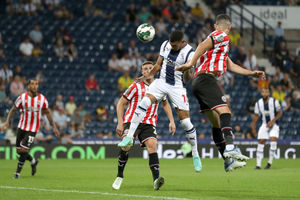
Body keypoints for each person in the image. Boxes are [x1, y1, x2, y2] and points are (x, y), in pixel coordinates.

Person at [175, 14, 265, 171]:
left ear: (216, 25)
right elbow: (203, 44)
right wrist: (190, 63)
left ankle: (227, 160)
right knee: (226, 112)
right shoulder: (221, 36)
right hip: (206, 79)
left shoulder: (219, 49)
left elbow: (231, 66)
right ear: (228, 28)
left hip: (199, 83)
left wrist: (251, 73)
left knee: (216, 124)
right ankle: (230, 147)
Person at [118, 30, 202, 173]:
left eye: (174, 45)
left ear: (182, 43)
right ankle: (129, 137)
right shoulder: (165, 45)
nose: (172, 47)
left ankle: (195, 154)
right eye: (171, 44)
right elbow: (157, 66)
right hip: (161, 82)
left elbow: (188, 79)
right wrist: (146, 77)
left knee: (186, 122)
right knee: (144, 102)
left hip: (177, 87)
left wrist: (187, 69)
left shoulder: (189, 53)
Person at [112, 61, 176, 190]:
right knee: (127, 146)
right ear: (142, 72)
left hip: (149, 123)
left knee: (153, 145)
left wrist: (172, 120)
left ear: (154, 70)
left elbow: (165, 103)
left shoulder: (159, 87)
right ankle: (119, 176)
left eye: (150, 68)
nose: (147, 70)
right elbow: (121, 103)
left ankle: (156, 180)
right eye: (145, 69)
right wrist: (120, 122)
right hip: (131, 121)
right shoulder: (135, 86)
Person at [0, 79, 60, 179]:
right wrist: (7, 121)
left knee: (24, 149)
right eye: (32, 84)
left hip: (33, 128)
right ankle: (33, 161)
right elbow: (13, 110)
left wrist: (54, 126)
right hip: (21, 127)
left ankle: (17, 173)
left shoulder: (42, 99)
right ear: (28, 86)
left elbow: (48, 112)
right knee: (19, 151)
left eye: (36, 84)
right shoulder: (22, 98)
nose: (35, 86)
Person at [251, 88, 282, 170]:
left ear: (269, 93)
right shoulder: (258, 103)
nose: (264, 94)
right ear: (261, 93)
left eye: (266, 92)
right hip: (264, 124)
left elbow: (279, 113)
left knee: (273, 140)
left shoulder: (275, 101)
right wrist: (253, 127)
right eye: (263, 92)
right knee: (261, 141)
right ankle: (258, 165)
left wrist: (272, 121)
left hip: (274, 124)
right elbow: (256, 115)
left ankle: (269, 163)